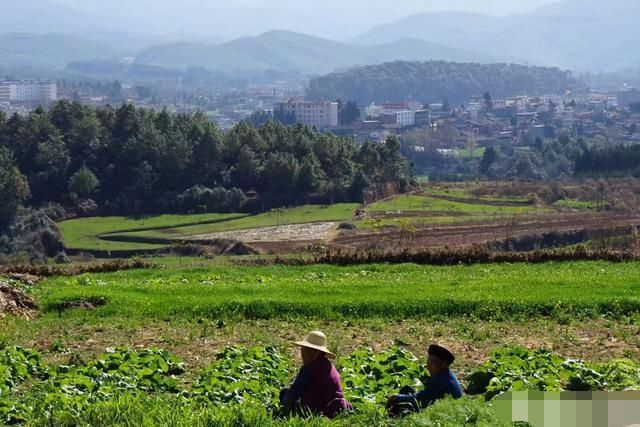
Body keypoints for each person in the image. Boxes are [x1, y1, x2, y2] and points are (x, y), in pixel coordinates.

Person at [280, 331, 353, 418]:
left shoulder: (309, 369)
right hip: (339, 409)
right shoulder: (330, 366)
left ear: (315, 353)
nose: (302, 355)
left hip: (320, 412)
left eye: (304, 352)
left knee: (284, 393)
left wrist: (284, 409)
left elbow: (292, 396)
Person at [387, 344, 463, 416]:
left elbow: (418, 398)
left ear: (443, 364)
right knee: (407, 389)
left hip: (442, 414)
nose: (428, 367)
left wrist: (396, 397)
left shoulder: (440, 383)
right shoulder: (448, 374)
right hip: (438, 404)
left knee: (396, 400)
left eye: (431, 364)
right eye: (427, 363)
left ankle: (390, 421)